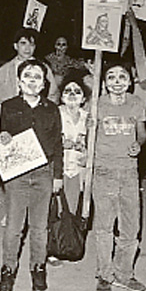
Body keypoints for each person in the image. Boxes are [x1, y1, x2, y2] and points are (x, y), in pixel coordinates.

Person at [0, 59, 63, 291]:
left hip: (44, 173)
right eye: (27, 75)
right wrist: (2, 137)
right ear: (19, 81)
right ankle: (8, 269)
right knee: (14, 227)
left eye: (38, 76)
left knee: (39, 227)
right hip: (17, 174)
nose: (32, 80)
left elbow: (57, 143)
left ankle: (38, 267)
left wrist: (57, 175)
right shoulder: (7, 106)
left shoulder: (51, 109)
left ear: (44, 83)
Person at [92, 60, 146, 291]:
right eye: (111, 77)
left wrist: (139, 143)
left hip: (129, 171)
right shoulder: (96, 103)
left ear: (130, 81)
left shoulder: (136, 103)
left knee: (130, 226)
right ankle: (105, 275)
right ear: (104, 82)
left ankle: (124, 273)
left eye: (122, 77)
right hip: (104, 170)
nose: (117, 82)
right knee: (104, 226)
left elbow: (143, 132)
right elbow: (87, 134)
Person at [0, 28, 59, 103]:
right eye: (23, 43)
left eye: (31, 44)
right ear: (16, 46)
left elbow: (54, 95)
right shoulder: (4, 70)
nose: (27, 48)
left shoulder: (44, 68)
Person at [58, 74, 89, 214]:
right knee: (57, 207)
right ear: (61, 97)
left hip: (78, 169)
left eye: (77, 91)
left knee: (73, 207)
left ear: (83, 99)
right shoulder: (55, 113)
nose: (72, 94)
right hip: (59, 167)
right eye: (67, 90)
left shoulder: (89, 117)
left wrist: (86, 152)